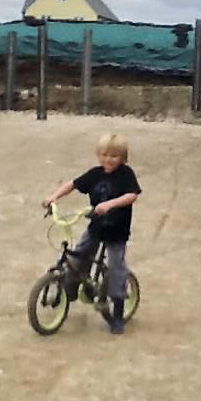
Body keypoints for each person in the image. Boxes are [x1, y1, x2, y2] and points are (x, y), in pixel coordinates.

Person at [42, 133, 142, 334]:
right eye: (104, 155)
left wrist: (109, 204)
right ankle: (69, 290)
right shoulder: (95, 174)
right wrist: (53, 197)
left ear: (122, 158)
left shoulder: (125, 174)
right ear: (98, 155)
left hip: (116, 232)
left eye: (114, 156)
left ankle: (117, 312)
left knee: (116, 267)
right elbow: (72, 184)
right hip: (96, 227)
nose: (108, 159)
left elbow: (132, 195)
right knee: (78, 255)